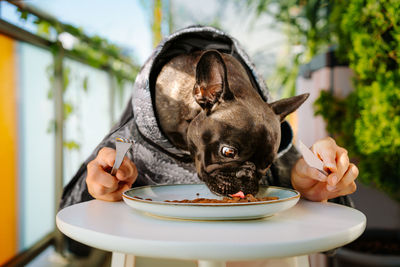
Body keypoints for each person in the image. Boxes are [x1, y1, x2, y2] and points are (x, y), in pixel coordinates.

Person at [60, 26, 358, 210]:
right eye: (229, 153)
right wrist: (98, 187)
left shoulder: (261, 128)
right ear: (204, 94)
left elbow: (330, 225)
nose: (247, 183)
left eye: (262, 167)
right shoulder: (129, 142)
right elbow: (70, 209)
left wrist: (320, 186)